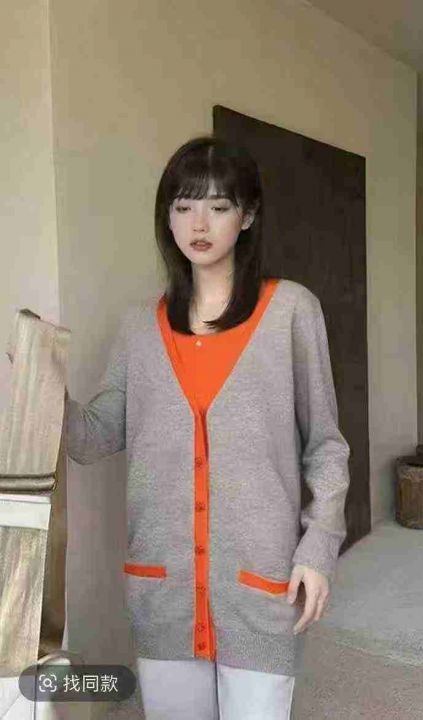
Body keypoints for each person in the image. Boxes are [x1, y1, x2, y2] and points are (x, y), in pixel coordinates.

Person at [66, 134, 351, 719]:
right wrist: (39, 388)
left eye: (219, 206)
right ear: (166, 217)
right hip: (164, 592)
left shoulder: (291, 311)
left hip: (260, 587)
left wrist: (319, 545)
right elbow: (93, 437)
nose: (199, 223)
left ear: (247, 217)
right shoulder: (139, 329)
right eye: (184, 205)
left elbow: (325, 446)